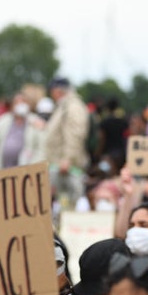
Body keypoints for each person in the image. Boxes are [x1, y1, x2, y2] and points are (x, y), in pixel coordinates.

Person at [43, 77, 90, 210]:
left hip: (67, 167)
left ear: (57, 91)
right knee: (61, 206)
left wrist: (68, 158)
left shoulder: (73, 106)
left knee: (69, 206)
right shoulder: (65, 106)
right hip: (60, 166)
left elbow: (75, 134)